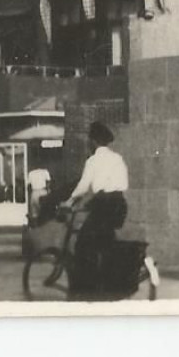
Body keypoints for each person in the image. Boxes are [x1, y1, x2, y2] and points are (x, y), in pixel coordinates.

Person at [61, 121, 129, 296]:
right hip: (119, 204)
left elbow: (83, 187)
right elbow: (120, 184)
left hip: (103, 205)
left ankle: (86, 289)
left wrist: (69, 202)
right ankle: (106, 284)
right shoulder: (117, 158)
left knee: (83, 244)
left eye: (89, 140)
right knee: (105, 242)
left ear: (93, 141)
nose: (88, 143)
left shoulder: (93, 160)